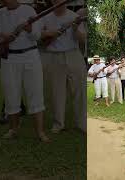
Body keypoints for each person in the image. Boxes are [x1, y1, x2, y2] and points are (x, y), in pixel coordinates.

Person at [0, 0, 50, 142]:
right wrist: (1, 34)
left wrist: (29, 29)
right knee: (11, 93)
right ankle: (13, 129)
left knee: (35, 92)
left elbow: (37, 36)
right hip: (9, 57)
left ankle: (40, 132)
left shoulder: (28, 10)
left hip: (30, 56)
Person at [41, 0, 86, 133]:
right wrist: (50, 33)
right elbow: (37, 36)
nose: (59, 2)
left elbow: (82, 39)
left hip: (73, 54)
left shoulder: (74, 16)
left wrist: (75, 28)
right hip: (53, 56)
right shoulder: (45, 17)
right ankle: (58, 123)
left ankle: (82, 123)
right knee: (56, 92)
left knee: (79, 90)